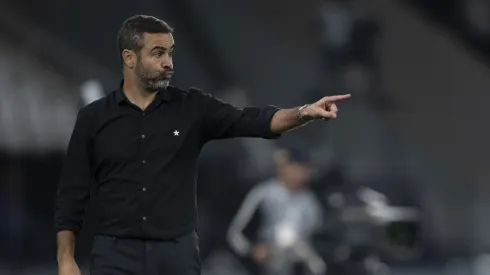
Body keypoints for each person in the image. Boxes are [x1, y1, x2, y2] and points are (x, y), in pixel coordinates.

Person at [55, 14, 350, 275]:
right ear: (129, 58)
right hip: (115, 254)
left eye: (170, 53)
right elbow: (72, 193)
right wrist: (66, 259)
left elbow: (254, 120)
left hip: (175, 255)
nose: (168, 63)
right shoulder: (94, 117)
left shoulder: (192, 108)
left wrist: (303, 113)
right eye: (158, 54)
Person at [227, 147, 326, 275]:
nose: (301, 174)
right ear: (282, 168)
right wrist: (252, 249)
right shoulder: (263, 193)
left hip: (299, 262)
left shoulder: (309, 200)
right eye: (296, 168)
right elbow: (235, 234)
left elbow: (317, 230)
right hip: (267, 261)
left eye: (305, 169)